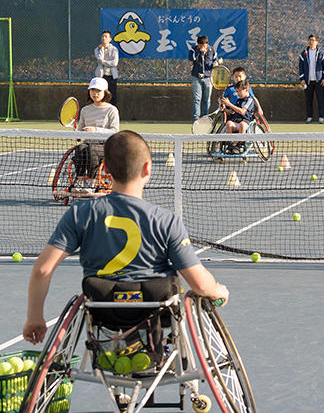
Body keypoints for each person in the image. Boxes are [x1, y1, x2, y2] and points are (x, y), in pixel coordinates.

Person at [22, 130, 229, 345]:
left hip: (103, 311)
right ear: (147, 168)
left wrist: (34, 318)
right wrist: (217, 289)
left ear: (106, 169)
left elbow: (42, 270)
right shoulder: (166, 221)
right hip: (155, 311)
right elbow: (200, 284)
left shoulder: (80, 213)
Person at [74, 77, 120, 193]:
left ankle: (91, 183)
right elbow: (80, 130)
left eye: (98, 91)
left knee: (92, 150)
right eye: (92, 90)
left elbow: (114, 131)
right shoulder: (85, 110)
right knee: (80, 148)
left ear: (105, 92)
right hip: (88, 143)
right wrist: (78, 134)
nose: (95, 93)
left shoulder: (112, 110)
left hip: (106, 146)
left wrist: (95, 129)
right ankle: (79, 181)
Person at [219, 78, 255, 154]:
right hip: (236, 122)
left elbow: (242, 111)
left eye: (239, 91)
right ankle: (230, 145)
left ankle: (238, 145)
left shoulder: (250, 100)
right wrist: (224, 109)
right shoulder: (238, 100)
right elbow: (232, 112)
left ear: (246, 90)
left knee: (242, 124)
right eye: (237, 91)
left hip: (246, 123)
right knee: (229, 123)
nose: (237, 93)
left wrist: (229, 104)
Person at [298, 34, 324, 124]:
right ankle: (309, 117)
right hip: (308, 81)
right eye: (310, 40)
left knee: (321, 99)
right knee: (308, 100)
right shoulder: (304, 53)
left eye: (313, 40)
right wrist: (302, 79)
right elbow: (301, 67)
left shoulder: (322, 53)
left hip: (319, 81)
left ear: (317, 42)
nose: (311, 42)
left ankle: (321, 117)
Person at [189, 35, 217, 122]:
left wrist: (216, 64)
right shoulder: (193, 50)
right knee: (197, 99)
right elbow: (191, 58)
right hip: (196, 77)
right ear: (197, 44)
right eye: (200, 45)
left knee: (207, 99)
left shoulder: (212, 50)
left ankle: (205, 117)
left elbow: (215, 61)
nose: (202, 47)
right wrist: (199, 52)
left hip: (208, 78)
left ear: (207, 44)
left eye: (204, 45)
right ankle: (196, 118)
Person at [94, 30, 119, 107]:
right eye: (103, 36)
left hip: (112, 77)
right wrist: (101, 49)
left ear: (110, 39)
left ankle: (113, 112)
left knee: (112, 96)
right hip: (101, 76)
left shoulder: (114, 49)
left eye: (106, 36)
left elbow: (114, 63)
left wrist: (103, 62)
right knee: (101, 96)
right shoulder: (97, 49)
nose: (104, 38)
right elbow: (99, 59)